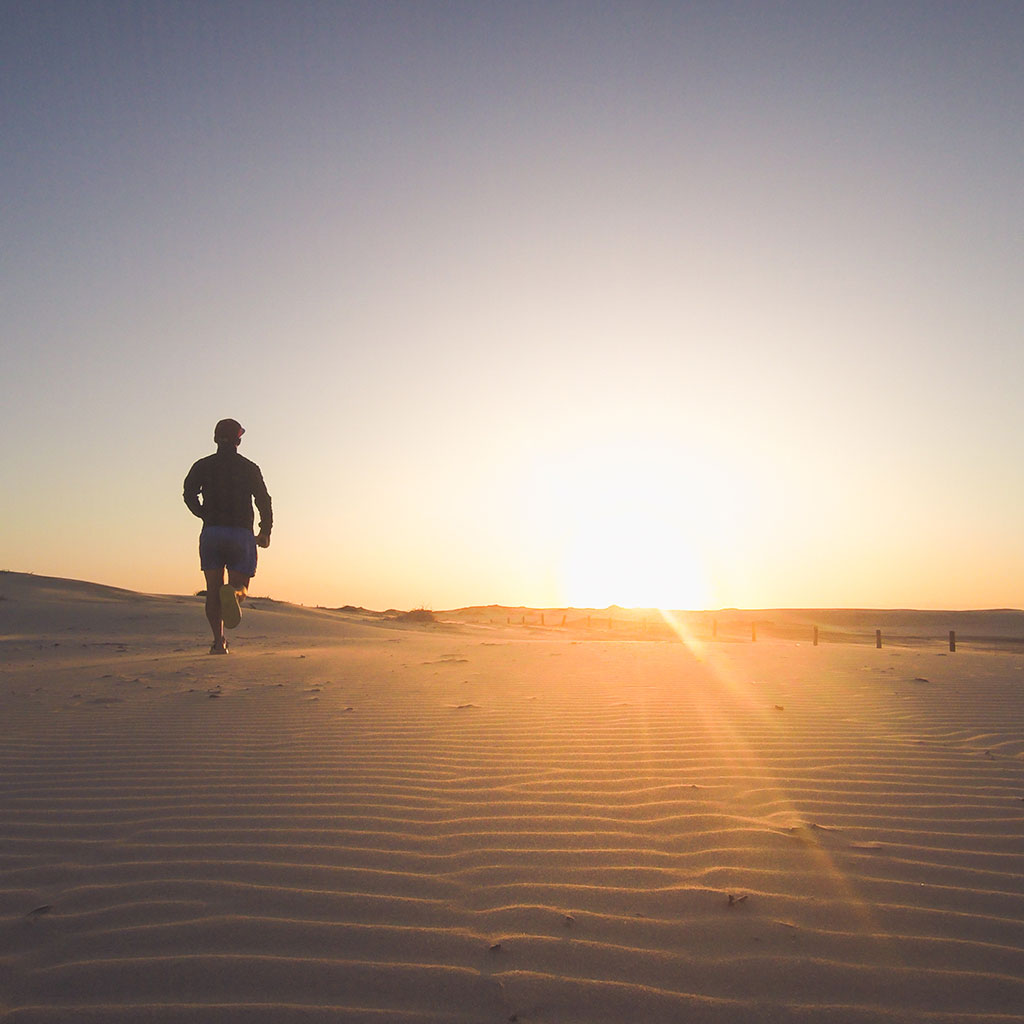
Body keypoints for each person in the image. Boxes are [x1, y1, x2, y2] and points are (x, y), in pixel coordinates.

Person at [183, 418, 273, 654]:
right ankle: (233, 593)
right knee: (240, 587)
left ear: (215, 439)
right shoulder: (249, 467)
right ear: (238, 441)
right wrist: (265, 530)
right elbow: (264, 500)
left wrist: (204, 514)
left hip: (212, 533)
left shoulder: (203, 465)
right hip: (241, 533)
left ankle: (218, 641)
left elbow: (188, 494)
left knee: (213, 589)